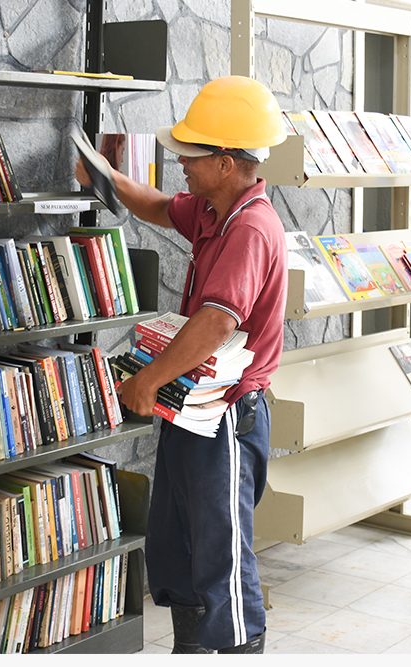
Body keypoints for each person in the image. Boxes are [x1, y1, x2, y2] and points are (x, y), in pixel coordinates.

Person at [75, 76, 288, 652]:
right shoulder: (217, 209)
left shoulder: (249, 228)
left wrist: (148, 379)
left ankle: (241, 647)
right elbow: (162, 207)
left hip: (224, 415)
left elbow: (218, 321)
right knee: (178, 543)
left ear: (224, 161)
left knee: (222, 549)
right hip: (191, 408)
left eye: (192, 157)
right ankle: (192, 647)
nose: (183, 166)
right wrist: (108, 176)